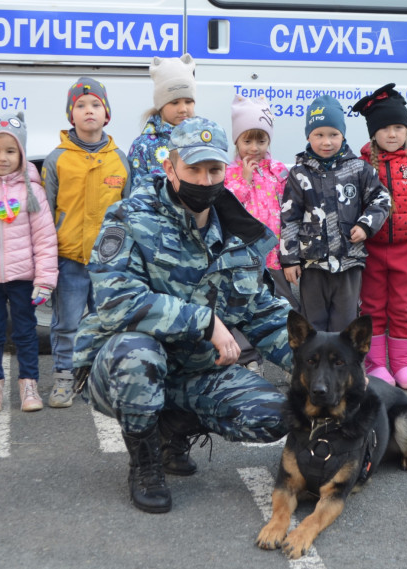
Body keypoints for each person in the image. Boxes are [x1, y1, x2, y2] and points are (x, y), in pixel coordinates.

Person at [73, 117, 293, 514]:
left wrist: (330, 363)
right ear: (170, 168)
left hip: (194, 372)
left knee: (275, 415)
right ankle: (145, 463)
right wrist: (205, 322)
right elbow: (115, 300)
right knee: (138, 353)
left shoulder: (237, 234)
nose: (205, 179)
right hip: (121, 365)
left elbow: (266, 315)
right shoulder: (130, 217)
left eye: (214, 170)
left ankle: (169, 432)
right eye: (194, 169)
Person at [41, 77, 131, 409]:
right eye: (80, 105)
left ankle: (99, 378)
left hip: (108, 263)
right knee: (67, 322)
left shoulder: (119, 159)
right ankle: (64, 376)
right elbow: (46, 214)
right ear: (71, 115)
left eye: (95, 105)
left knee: (107, 321)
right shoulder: (57, 159)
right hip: (69, 259)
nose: (88, 110)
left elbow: (129, 212)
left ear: (106, 114)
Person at [352, 84, 407, 390]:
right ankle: (376, 365)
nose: (392, 134)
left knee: (403, 308)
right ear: (372, 133)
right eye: (385, 128)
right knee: (372, 307)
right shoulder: (362, 165)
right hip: (372, 250)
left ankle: (402, 365)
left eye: (398, 127)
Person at [280, 94, 391, 333]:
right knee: (312, 324)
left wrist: (365, 225)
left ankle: (345, 370)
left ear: (343, 135)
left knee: (346, 324)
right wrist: (289, 260)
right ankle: (314, 369)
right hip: (313, 265)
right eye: (319, 135)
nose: (326, 142)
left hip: (349, 263)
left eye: (334, 134)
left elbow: (381, 199)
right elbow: (289, 217)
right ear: (308, 135)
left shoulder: (359, 168)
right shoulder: (299, 173)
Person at [0, 112, 58, 412]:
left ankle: (29, 384)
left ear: (22, 154)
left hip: (24, 279)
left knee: (25, 332)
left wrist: (45, 279)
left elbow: (45, 238)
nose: (2, 157)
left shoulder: (32, 192)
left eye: (10, 151)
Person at [224, 94, 298, 376]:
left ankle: (292, 356)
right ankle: (249, 357)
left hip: (274, 256)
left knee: (282, 304)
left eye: (261, 140)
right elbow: (230, 207)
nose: (254, 148)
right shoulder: (230, 173)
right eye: (247, 141)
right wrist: (243, 181)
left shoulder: (278, 171)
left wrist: (290, 251)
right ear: (236, 142)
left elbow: (290, 211)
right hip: (243, 257)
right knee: (242, 306)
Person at [127, 53, 196, 187]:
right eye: (174, 102)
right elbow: (137, 194)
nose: (183, 109)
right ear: (161, 105)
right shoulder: (142, 146)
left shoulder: (201, 139)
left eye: (188, 101)